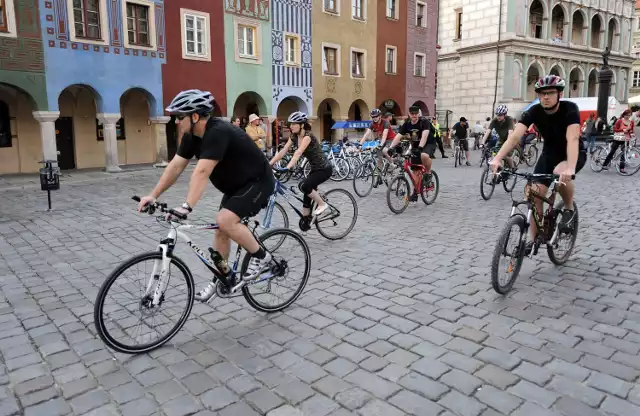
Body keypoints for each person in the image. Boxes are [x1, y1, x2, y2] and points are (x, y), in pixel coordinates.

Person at [136, 89, 276, 301]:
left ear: (194, 116)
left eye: (178, 117)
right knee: (221, 230)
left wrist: (187, 206)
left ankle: (263, 257)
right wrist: (153, 195)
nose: (175, 121)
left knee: (225, 220)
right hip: (235, 188)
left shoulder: (217, 131)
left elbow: (202, 171)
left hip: (258, 182)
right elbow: (175, 166)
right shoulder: (192, 137)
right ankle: (222, 277)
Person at [490, 75, 587, 251]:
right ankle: (534, 239)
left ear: (560, 94)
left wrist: (570, 166)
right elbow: (514, 138)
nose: (546, 97)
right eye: (542, 94)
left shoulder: (570, 109)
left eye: (550, 93)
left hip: (573, 152)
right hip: (549, 152)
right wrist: (497, 158)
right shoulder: (534, 111)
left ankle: (568, 208)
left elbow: (572, 138)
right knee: (535, 193)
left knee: (561, 172)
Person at [269, 111, 331, 218]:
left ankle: (322, 204)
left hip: (324, 169)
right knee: (306, 191)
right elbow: (283, 151)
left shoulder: (308, 136)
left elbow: (298, 153)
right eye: (291, 124)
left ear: (302, 125)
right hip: (314, 169)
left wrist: (288, 167)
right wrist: (269, 164)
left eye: (294, 124)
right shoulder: (294, 136)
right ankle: (307, 219)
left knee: (304, 185)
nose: (291, 126)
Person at [387, 105, 434, 201]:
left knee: (424, 155)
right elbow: (398, 136)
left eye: (416, 113)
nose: (414, 115)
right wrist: (391, 147)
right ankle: (415, 192)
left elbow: (424, 136)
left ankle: (428, 173)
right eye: (412, 114)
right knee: (415, 171)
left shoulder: (424, 122)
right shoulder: (407, 124)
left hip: (428, 143)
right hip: (416, 146)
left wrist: (420, 147)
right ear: (409, 114)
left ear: (418, 114)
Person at [602, 108, 633, 173]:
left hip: (626, 139)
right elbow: (615, 129)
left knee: (624, 154)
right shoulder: (619, 121)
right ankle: (604, 165)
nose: (628, 116)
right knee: (612, 152)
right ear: (624, 115)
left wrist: (632, 135)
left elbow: (631, 131)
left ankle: (622, 168)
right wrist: (622, 130)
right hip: (618, 139)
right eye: (626, 115)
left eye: (629, 115)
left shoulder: (631, 122)